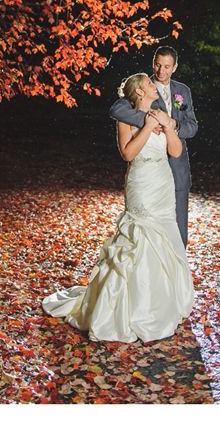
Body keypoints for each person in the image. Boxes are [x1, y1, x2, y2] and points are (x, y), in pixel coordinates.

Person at [42, 73, 194, 342]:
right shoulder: (127, 118)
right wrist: (147, 127)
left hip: (162, 182)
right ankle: (130, 307)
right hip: (141, 183)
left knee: (166, 235)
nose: (153, 86)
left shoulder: (160, 113)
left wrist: (168, 127)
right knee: (140, 236)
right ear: (139, 92)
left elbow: (176, 152)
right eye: (149, 84)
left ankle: (163, 302)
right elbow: (127, 153)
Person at [109, 46, 197, 246]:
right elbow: (117, 109)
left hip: (176, 168)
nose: (161, 71)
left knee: (177, 230)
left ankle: (176, 272)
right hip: (147, 175)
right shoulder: (141, 87)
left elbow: (192, 127)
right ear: (153, 63)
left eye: (167, 67)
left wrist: (173, 124)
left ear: (174, 67)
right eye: (157, 65)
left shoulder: (183, 91)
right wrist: (150, 121)